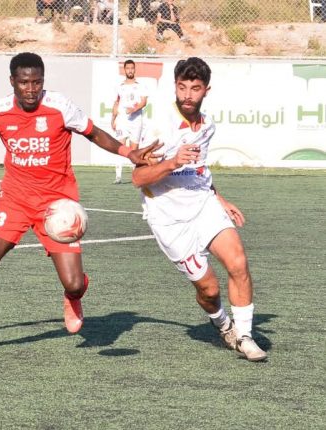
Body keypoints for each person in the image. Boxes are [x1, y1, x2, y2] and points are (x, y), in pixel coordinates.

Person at [0, 52, 160, 359]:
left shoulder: (60, 106)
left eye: (37, 82)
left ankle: (72, 296)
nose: (31, 89)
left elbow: (94, 133)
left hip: (57, 205)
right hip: (15, 201)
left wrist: (128, 153)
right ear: (12, 82)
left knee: (75, 283)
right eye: (24, 82)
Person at [132, 57, 267, 362]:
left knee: (238, 262)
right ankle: (223, 325)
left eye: (195, 88)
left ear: (206, 90)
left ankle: (245, 336)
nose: (187, 95)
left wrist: (218, 197)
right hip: (168, 219)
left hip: (203, 203)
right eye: (182, 87)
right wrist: (171, 162)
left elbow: (200, 168)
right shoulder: (159, 127)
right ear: (175, 87)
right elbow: (138, 179)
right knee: (209, 290)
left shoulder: (207, 125)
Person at [111, 59, 148, 184]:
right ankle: (118, 176)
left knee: (134, 149)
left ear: (134, 69)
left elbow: (144, 102)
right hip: (122, 120)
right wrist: (113, 119)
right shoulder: (119, 86)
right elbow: (116, 102)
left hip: (136, 120)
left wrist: (134, 109)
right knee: (119, 146)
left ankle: (134, 175)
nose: (130, 70)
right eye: (128, 68)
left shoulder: (141, 86)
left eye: (132, 68)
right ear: (125, 70)